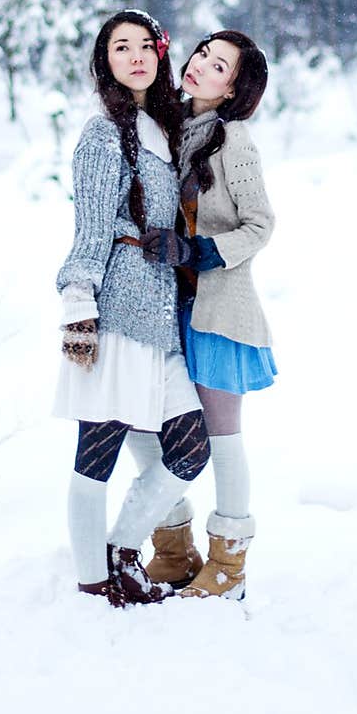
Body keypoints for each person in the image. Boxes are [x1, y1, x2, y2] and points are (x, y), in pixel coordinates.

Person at [54, 9, 211, 607]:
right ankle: (94, 582)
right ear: (106, 62)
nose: (137, 56)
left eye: (146, 45)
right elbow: (90, 227)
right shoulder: (102, 135)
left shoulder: (162, 129)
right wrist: (79, 308)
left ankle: (122, 547)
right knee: (96, 451)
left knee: (190, 445)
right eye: (123, 48)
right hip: (115, 312)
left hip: (161, 323)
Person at [127, 30, 276, 601]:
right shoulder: (174, 126)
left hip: (218, 310)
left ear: (234, 87)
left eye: (218, 66)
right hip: (172, 307)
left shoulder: (233, 140)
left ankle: (229, 567)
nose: (199, 66)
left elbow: (260, 224)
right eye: (201, 55)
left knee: (220, 437)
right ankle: (174, 547)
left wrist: (202, 252)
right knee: (156, 428)